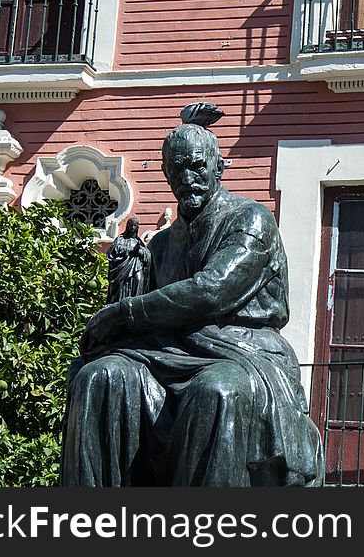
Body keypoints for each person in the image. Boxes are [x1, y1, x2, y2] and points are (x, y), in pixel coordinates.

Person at [60, 103, 324, 487]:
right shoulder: (164, 243)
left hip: (242, 350)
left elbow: (212, 290)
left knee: (216, 391)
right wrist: (125, 276)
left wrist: (123, 314)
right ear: (167, 173)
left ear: (218, 168)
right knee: (101, 376)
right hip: (169, 351)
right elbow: (147, 308)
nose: (187, 178)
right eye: (177, 169)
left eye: (197, 166)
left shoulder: (250, 220)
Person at [105, 217, 151, 304]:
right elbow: (112, 252)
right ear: (127, 226)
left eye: (134, 225)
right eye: (130, 225)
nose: (132, 227)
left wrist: (139, 251)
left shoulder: (139, 242)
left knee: (139, 279)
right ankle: (119, 304)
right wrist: (128, 250)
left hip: (136, 266)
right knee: (121, 287)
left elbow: (147, 255)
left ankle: (135, 304)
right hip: (122, 268)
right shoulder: (121, 239)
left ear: (137, 227)